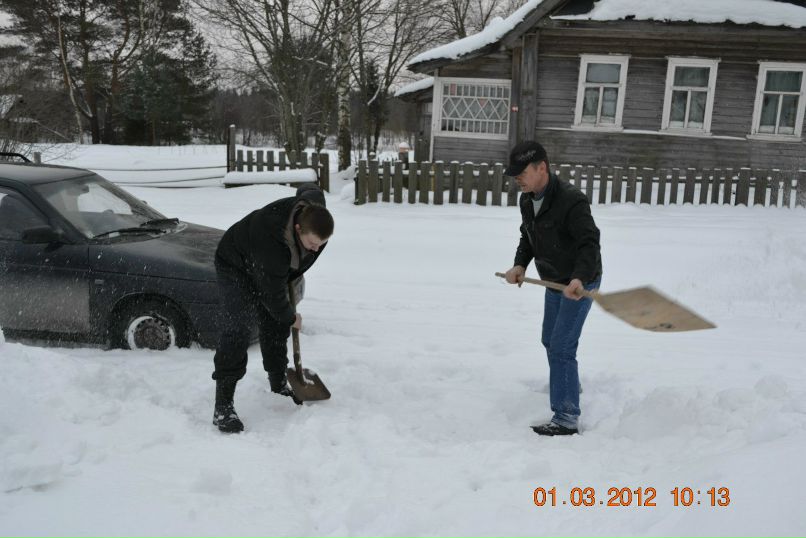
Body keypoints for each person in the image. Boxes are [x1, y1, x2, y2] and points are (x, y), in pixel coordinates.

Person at [211, 183, 334, 433]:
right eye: (312, 243)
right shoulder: (270, 235)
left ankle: (278, 382)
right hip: (236, 265)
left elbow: (310, 192)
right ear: (298, 228)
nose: (316, 249)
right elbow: (272, 292)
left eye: (321, 244)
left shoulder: (315, 221)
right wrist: (290, 316)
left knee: (275, 325)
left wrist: (284, 315)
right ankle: (223, 405)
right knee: (237, 329)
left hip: (272, 268)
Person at [502, 141, 602, 436]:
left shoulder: (571, 200)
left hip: (578, 283)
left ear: (541, 167)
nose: (517, 179)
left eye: (522, 173)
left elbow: (589, 243)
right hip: (554, 280)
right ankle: (569, 382)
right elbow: (527, 237)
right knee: (550, 339)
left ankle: (567, 416)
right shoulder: (527, 199)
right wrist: (520, 265)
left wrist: (580, 278)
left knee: (561, 346)